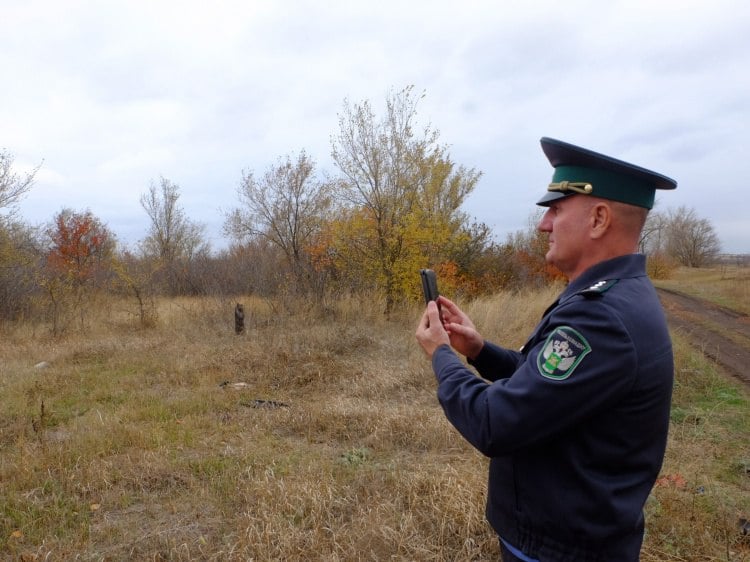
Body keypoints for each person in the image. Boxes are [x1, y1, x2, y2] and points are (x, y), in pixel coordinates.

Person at [415, 137, 677, 562]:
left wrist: (441, 354)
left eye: (555, 210)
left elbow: (494, 422)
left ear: (598, 219)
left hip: (563, 550)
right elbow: (547, 383)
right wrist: (479, 350)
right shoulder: (614, 297)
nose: (543, 225)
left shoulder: (601, 318)